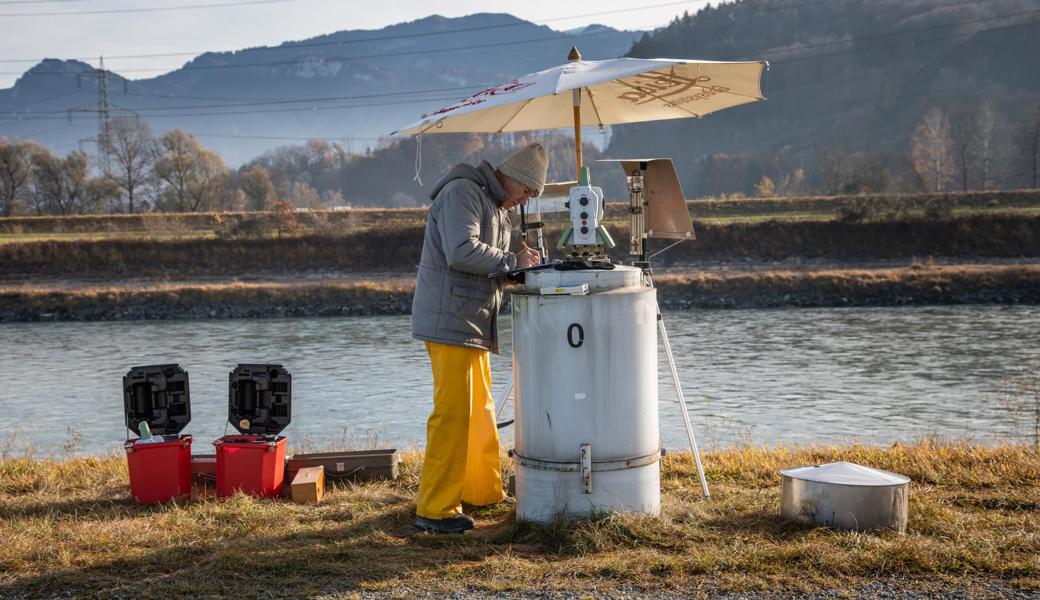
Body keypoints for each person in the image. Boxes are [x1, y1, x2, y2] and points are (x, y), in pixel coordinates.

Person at [410, 143, 547, 533]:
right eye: (527, 192)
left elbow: (485, 266)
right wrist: (511, 262)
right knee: (452, 416)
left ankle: (483, 491)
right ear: (515, 178)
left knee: (480, 411)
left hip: (471, 323)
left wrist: (518, 271)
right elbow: (461, 251)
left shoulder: (496, 208)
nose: (525, 200)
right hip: (449, 320)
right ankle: (435, 509)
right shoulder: (463, 193)